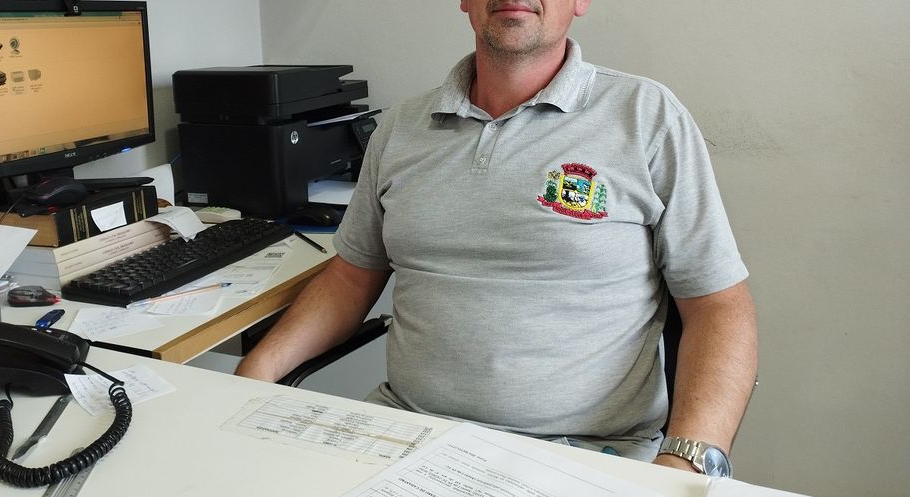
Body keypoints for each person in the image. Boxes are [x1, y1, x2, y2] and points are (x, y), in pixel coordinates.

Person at [236, 0, 758, 473]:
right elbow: (351, 278)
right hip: (405, 435)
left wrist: (686, 461)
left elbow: (717, 305)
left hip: (585, 453)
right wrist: (253, 373)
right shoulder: (400, 129)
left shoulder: (646, 117)